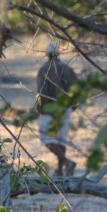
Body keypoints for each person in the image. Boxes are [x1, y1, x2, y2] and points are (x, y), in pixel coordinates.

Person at [37, 41, 77, 177]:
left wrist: (40, 108)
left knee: (47, 139)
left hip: (50, 108)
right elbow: (77, 90)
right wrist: (73, 107)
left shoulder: (44, 69)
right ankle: (60, 171)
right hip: (65, 108)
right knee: (61, 139)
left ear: (46, 53)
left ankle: (66, 162)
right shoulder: (68, 69)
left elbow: (42, 91)